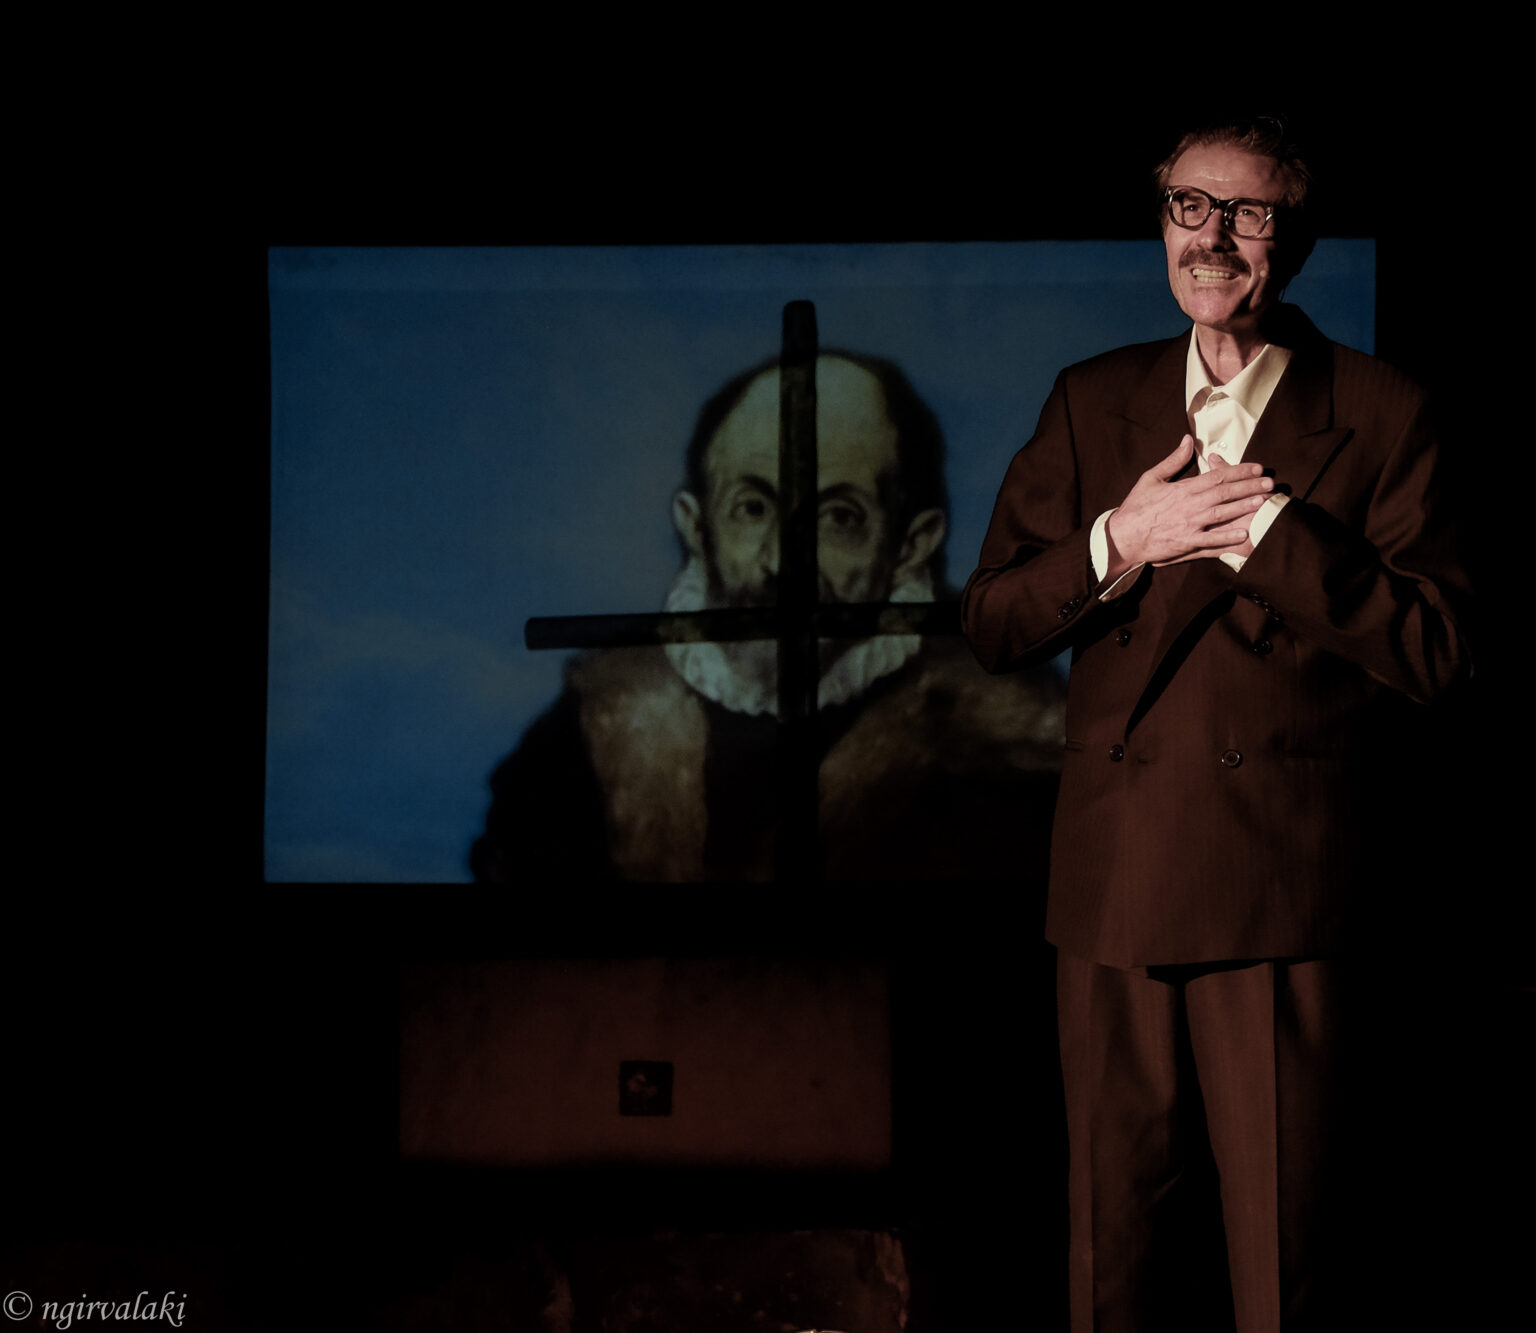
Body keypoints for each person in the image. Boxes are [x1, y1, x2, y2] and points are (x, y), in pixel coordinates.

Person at [962, 118, 1472, 1330]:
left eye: (1248, 214)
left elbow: (1439, 653)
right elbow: (989, 622)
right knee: (1111, 1258)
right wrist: (1117, 543)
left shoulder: (1383, 410)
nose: (1214, 239)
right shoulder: (1093, 400)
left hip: (1281, 889)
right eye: (1190, 206)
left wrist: (1275, 538)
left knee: (1285, 1266)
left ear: (1294, 240)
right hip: (1114, 881)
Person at [472, 349, 1066, 882]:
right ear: (697, 528)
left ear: (910, 545)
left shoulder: (1012, 746)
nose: (784, 560)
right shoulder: (587, 732)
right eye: (752, 508)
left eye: (839, 517)